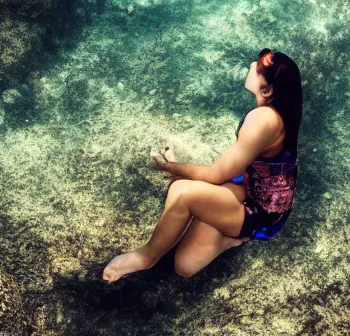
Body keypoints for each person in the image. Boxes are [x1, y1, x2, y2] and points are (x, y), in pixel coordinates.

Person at [103, 48, 302, 283]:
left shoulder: (264, 120)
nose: (251, 64)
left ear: (266, 90)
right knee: (184, 265)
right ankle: (228, 235)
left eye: (257, 66)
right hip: (251, 186)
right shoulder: (276, 112)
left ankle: (146, 257)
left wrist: (170, 166)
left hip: (261, 212)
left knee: (182, 192)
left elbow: (216, 175)